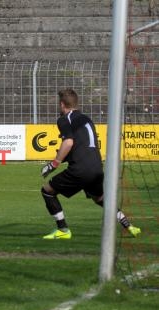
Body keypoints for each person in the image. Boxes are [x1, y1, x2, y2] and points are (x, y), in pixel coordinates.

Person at [40, 88, 141, 239]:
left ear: (62, 104)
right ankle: (128, 225)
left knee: (47, 191)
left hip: (80, 169)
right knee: (99, 198)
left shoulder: (64, 119)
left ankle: (63, 230)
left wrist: (53, 164)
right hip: (96, 167)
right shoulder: (86, 119)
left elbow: (68, 143)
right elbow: (81, 145)